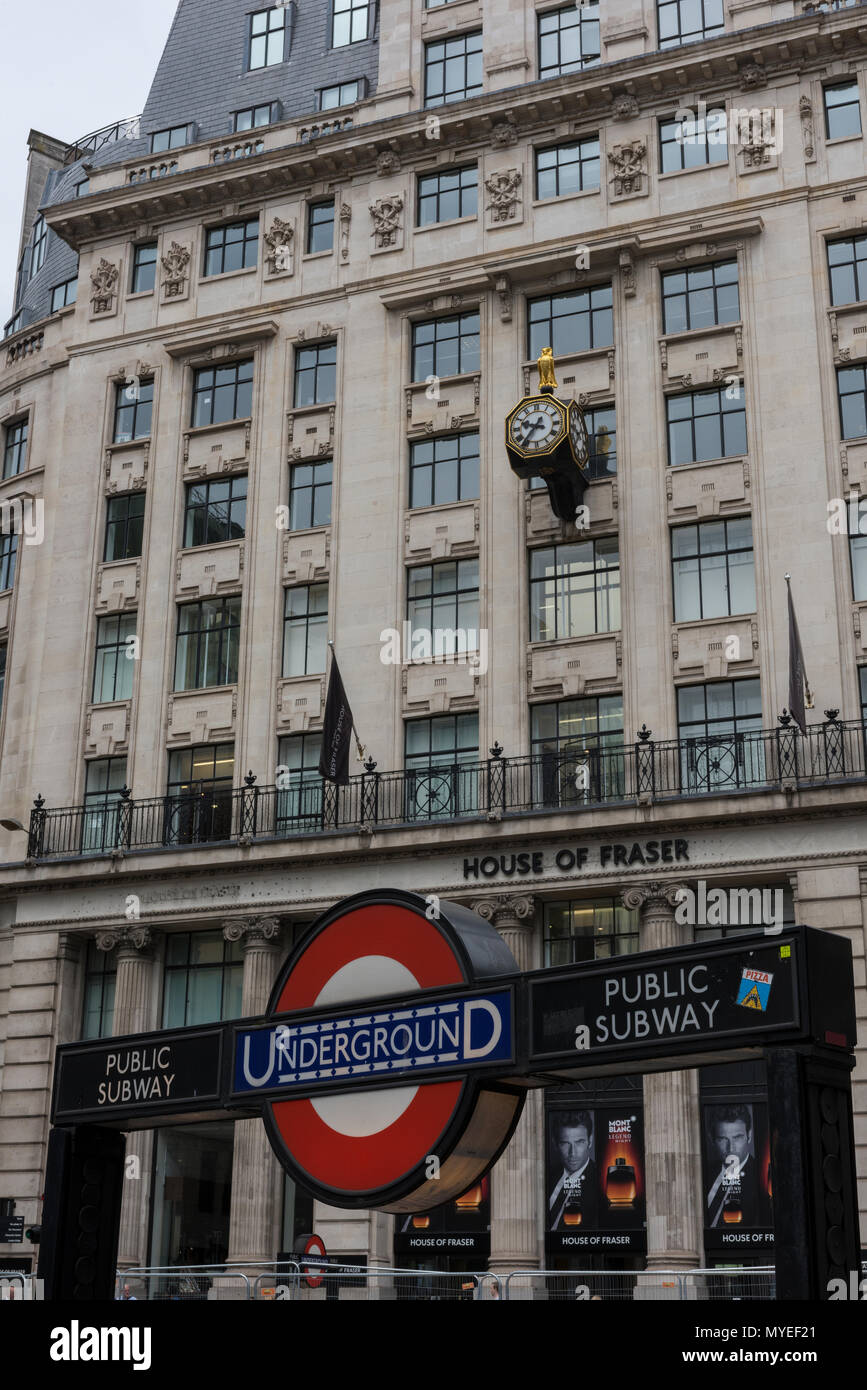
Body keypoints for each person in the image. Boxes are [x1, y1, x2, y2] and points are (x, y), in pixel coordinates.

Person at [705, 1104, 770, 1228]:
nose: (731, 1148)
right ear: (712, 1140)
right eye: (722, 1139)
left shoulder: (763, 1178)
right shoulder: (704, 1173)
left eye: (737, 1138)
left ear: (749, 1135)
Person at [548, 1110, 598, 1230]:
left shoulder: (600, 1182)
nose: (573, 1153)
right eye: (565, 1143)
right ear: (555, 1144)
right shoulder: (547, 1175)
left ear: (590, 1141)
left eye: (579, 1142)